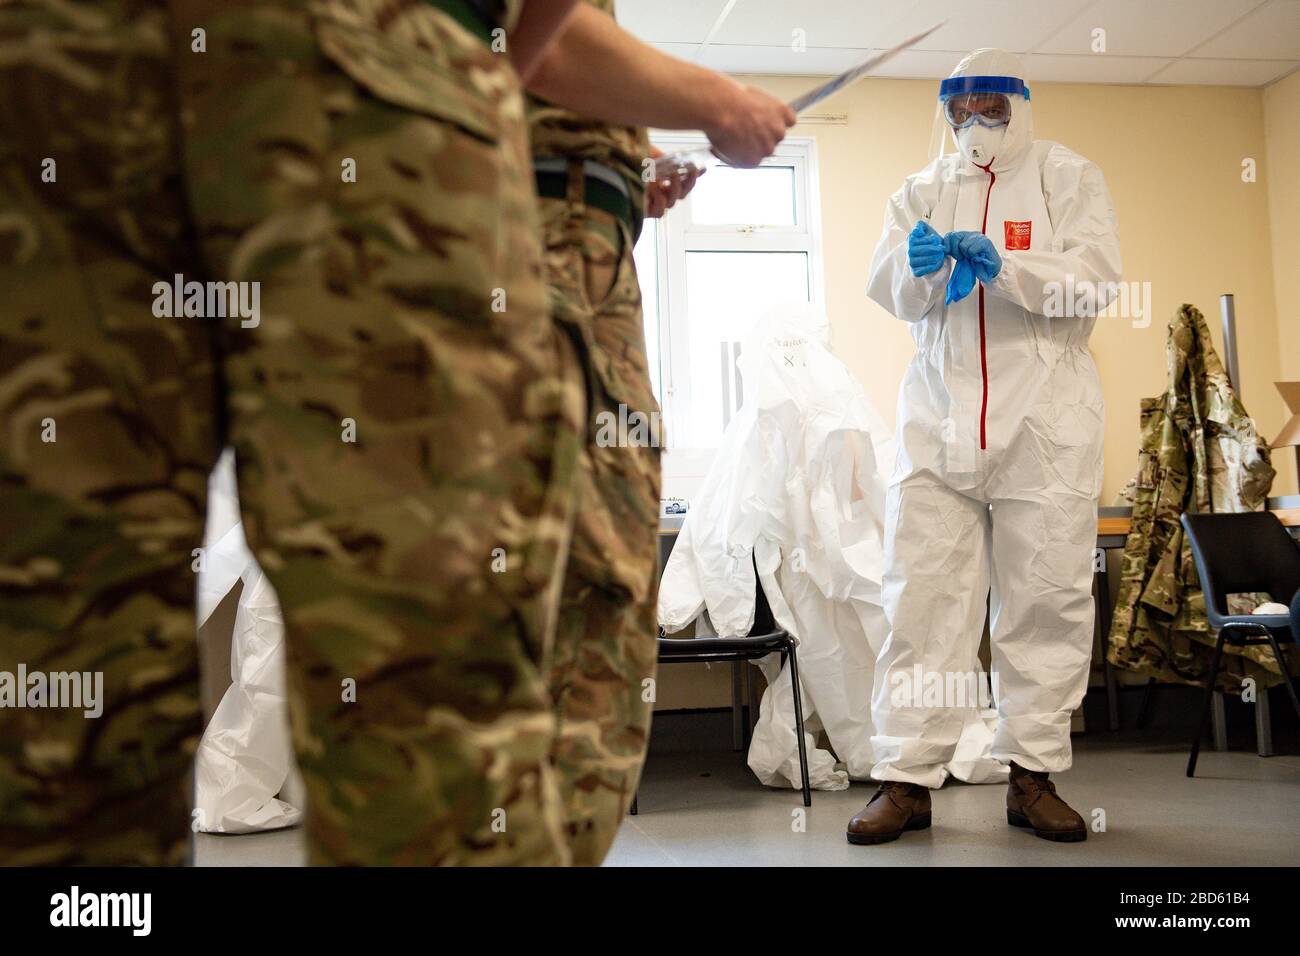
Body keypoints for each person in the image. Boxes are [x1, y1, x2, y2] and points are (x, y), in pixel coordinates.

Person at [0, 0, 587, 866]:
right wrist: (475, 75)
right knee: (413, 675)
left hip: (69, 65)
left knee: (66, 655)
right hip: (349, 69)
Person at [522, 0, 794, 864]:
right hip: (499, 249)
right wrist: (716, 100)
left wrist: (622, 169)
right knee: (499, 585)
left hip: (597, 262)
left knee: (606, 584)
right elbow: (530, 33)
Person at [850, 48, 1122, 845]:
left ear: (1020, 106)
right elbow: (888, 289)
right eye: (960, 108)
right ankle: (906, 779)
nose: (974, 123)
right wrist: (921, 269)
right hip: (937, 413)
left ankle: (1031, 776)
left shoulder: (1069, 178)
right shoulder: (922, 190)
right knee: (921, 598)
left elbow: (1096, 281)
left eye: (990, 107)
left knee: (1047, 595)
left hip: (1046, 417)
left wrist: (1008, 269)